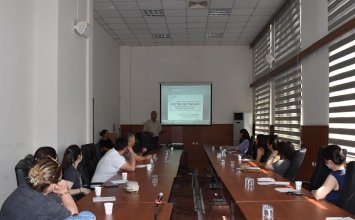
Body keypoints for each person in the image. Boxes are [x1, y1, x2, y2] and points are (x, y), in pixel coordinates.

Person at [0, 157, 78, 219]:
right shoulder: (45, 205)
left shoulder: (23, 187)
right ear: (52, 185)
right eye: (60, 179)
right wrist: (64, 191)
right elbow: (74, 215)